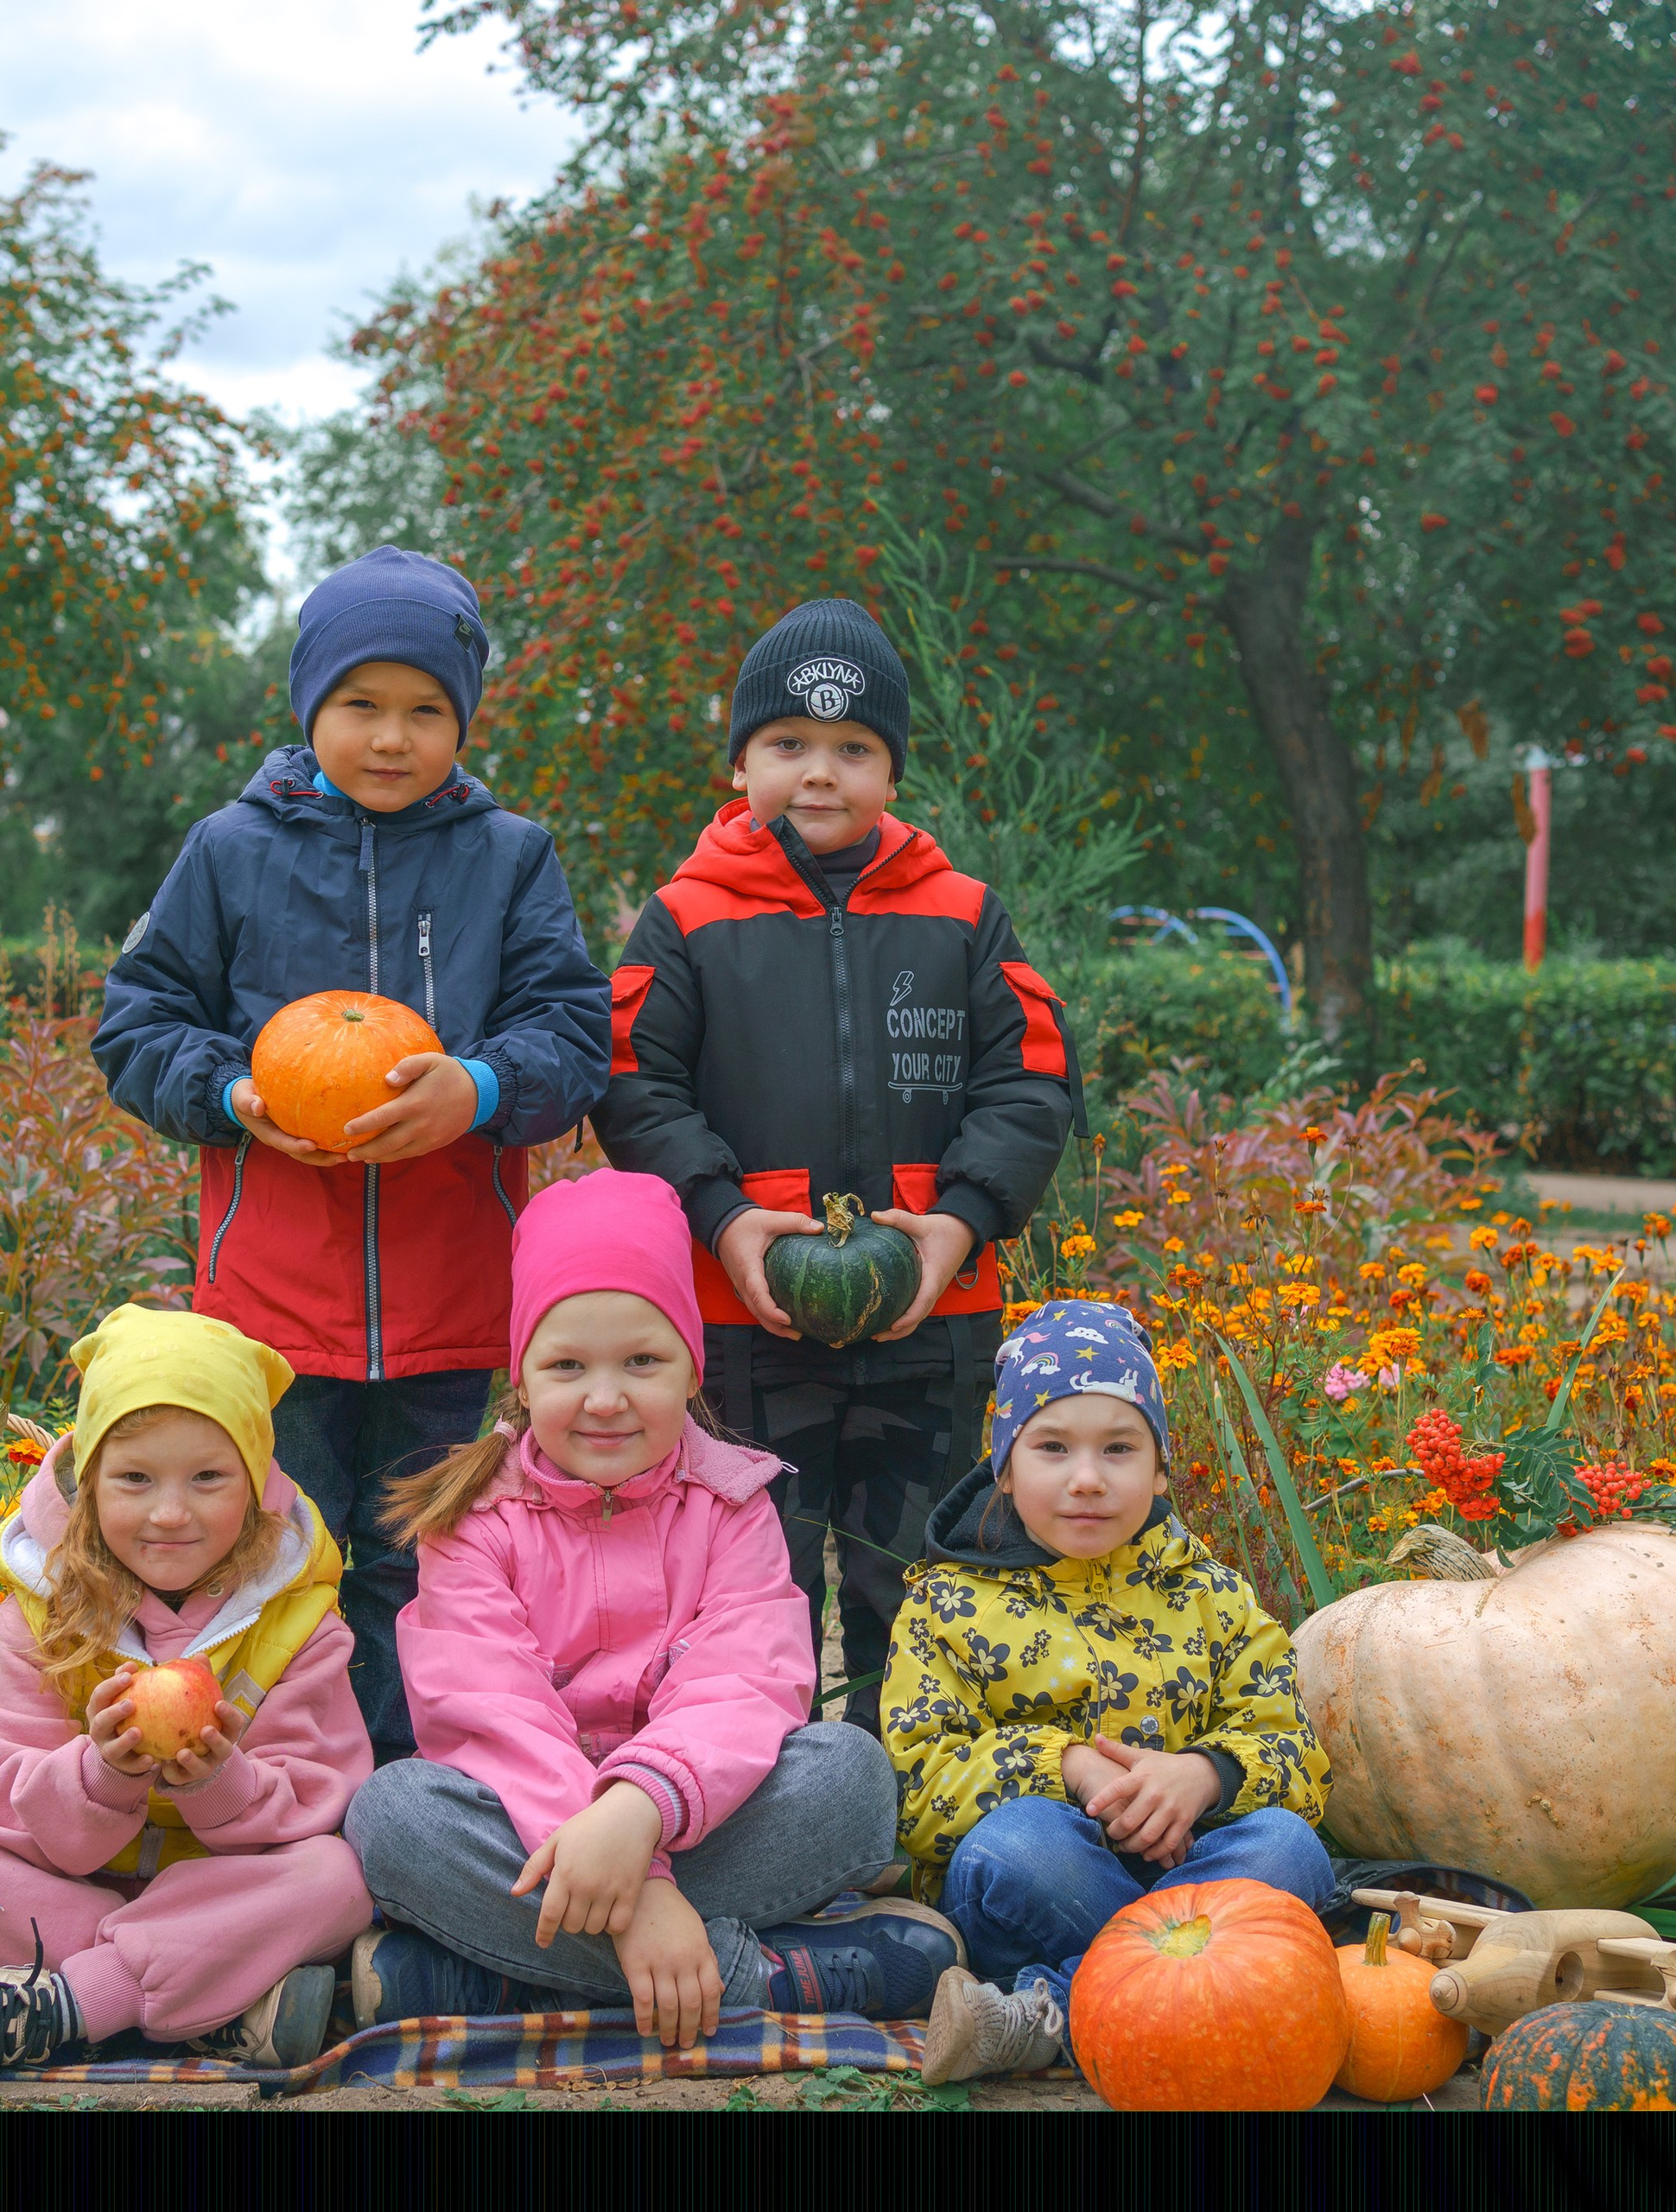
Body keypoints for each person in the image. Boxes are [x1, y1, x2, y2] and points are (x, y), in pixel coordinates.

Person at [92, 548, 612, 1760]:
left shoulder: (507, 856)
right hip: (272, 1308)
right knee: (282, 1562)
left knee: (419, 1566)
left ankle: (397, 1817)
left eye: (426, 710)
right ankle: (274, 1804)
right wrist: (230, 1092)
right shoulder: (230, 850)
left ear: (463, 719)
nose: (392, 737)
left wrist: (481, 1089)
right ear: (309, 709)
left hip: (449, 1296)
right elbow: (136, 1023)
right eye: (360, 706)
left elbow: (573, 1032)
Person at [592, 597, 1079, 1732]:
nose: (821, 773)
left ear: (892, 773)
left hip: (932, 1313)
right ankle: (768, 1804)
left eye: (855, 750)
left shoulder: (963, 915)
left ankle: (899, 1808)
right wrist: (718, 1213)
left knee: (910, 1581)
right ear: (740, 761)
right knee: (753, 1585)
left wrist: (959, 1221)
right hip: (751, 1321)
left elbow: (1030, 1081)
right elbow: (633, 1084)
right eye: (789, 746)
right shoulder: (684, 919)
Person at [342, 1167, 968, 2045]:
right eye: (568, 1365)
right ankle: (764, 1975)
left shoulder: (730, 1505)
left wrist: (639, 1818)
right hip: (528, 1819)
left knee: (850, 1774)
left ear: (690, 1367)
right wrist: (644, 1899)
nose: (605, 1398)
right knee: (391, 1814)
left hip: (692, 1809)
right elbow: (489, 1709)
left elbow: (745, 1679)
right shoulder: (474, 1516)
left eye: (642, 1360)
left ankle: (490, 1976)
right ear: (521, 1377)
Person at [0, 1305, 377, 2088]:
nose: (170, 1513)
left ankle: (58, 2008)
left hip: (223, 1886)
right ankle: (222, 2004)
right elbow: (3, 1788)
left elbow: (321, 1791)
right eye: (135, 1479)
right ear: (87, 1481)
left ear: (254, 1482)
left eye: (208, 1478)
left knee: (337, 1878)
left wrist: (223, 1781)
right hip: (75, 1887)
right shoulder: (38, 1608)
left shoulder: (298, 1618)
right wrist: (98, 1774)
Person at [880, 1299, 1334, 2086]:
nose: (1086, 1479)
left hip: (1198, 1870)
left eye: (1119, 1449)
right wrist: (1069, 1768)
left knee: (1291, 1848)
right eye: (1052, 1447)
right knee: (1016, 1847)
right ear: (1004, 1462)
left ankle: (1049, 2012)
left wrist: (1206, 1775)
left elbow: (1296, 1753)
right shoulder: (944, 1605)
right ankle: (1204, 2000)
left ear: (1158, 1468)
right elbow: (920, 1789)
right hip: (1055, 1881)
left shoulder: (1212, 1596)